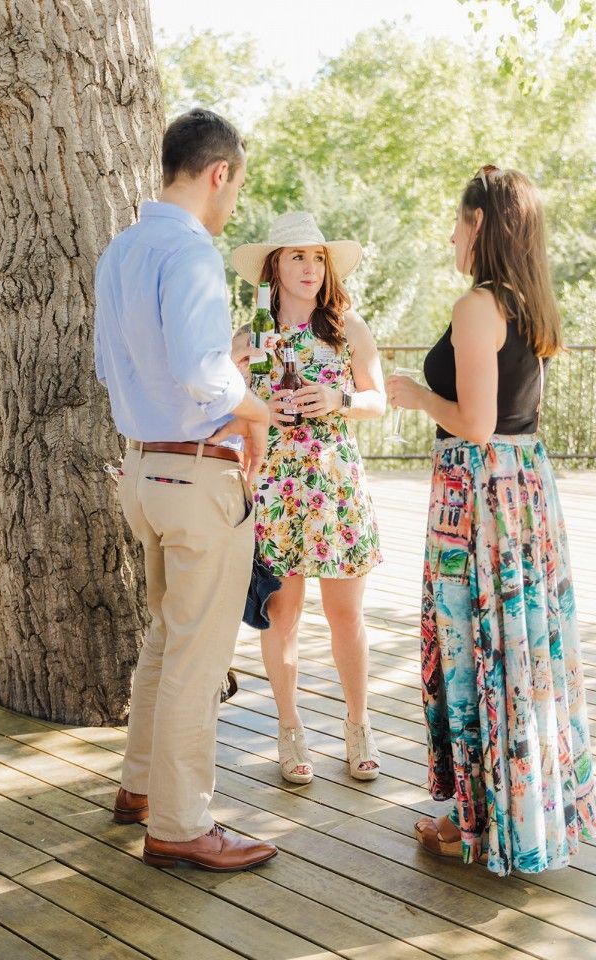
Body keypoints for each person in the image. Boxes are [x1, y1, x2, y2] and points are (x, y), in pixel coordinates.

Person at [387, 166, 596, 876]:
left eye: (457, 217)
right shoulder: (529, 302)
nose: (450, 232)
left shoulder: (478, 305)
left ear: (480, 223)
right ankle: (513, 809)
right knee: (518, 647)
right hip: (522, 492)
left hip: (478, 496)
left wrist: (413, 394)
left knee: (474, 641)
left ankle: (479, 816)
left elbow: (475, 423)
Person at [94, 108, 277, 871]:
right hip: (199, 473)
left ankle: (141, 788)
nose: (232, 199)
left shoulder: (123, 249)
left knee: (168, 638)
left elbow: (115, 368)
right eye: (235, 183)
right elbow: (204, 373)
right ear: (218, 173)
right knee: (198, 656)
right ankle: (177, 822)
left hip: (143, 468)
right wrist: (257, 405)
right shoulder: (193, 254)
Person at [230, 211, 385, 784]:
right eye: (297, 257)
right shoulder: (251, 337)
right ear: (274, 266)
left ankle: (358, 724)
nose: (310, 268)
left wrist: (338, 399)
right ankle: (290, 728)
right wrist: (235, 374)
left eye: (317, 257)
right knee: (283, 615)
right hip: (275, 486)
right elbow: (223, 407)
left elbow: (378, 401)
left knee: (346, 614)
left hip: (335, 485)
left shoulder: (346, 328)